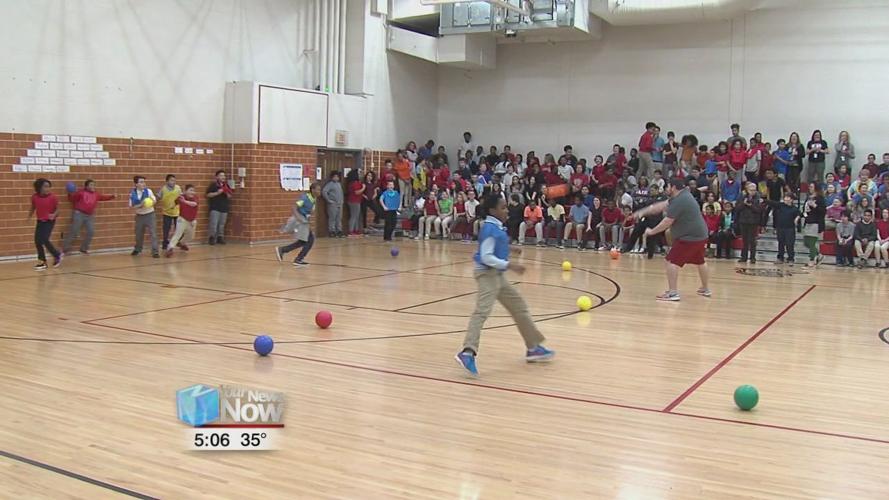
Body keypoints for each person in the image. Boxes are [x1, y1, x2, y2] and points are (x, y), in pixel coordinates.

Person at [454, 195, 555, 377]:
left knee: (519, 307)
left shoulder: (495, 227)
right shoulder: (489, 229)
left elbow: (496, 246)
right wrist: (511, 265)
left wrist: (510, 248)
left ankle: (533, 348)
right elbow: (486, 257)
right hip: (487, 274)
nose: (507, 210)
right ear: (493, 211)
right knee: (482, 312)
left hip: (496, 276)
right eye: (503, 207)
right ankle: (467, 352)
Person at [634, 178, 711, 301]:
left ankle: (673, 293)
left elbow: (667, 221)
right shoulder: (683, 195)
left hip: (689, 237)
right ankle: (705, 289)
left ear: (673, 187)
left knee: (671, 261)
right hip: (700, 235)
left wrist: (651, 232)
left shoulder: (680, 201)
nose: (666, 189)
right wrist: (642, 212)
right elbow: (661, 205)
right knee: (700, 261)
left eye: (667, 187)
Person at [62, 179, 115, 255]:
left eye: (94, 185)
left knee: (91, 231)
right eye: (91, 185)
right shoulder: (80, 193)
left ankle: (83, 249)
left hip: (89, 215)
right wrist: (70, 193)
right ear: (86, 186)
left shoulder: (96, 194)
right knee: (74, 231)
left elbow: (103, 198)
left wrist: (112, 197)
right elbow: (72, 199)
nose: (93, 186)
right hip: (79, 214)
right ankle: (65, 249)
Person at [276, 182, 321, 267]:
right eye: (318, 189)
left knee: (303, 241)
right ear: (313, 190)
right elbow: (294, 207)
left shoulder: (313, 199)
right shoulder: (305, 198)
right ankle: (298, 259)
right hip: (300, 220)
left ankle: (283, 250)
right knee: (310, 240)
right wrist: (299, 218)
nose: (319, 191)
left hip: (304, 220)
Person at [29, 178, 62, 270]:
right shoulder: (34, 197)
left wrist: (54, 214)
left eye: (49, 187)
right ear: (39, 187)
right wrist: (29, 216)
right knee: (37, 241)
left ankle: (57, 255)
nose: (48, 189)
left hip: (49, 221)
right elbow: (33, 207)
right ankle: (42, 261)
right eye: (45, 187)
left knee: (44, 239)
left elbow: (58, 210)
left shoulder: (53, 197)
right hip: (40, 221)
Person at [129, 175, 159, 258]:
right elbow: (132, 206)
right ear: (136, 184)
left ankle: (155, 251)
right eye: (141, 182)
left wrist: (150, 202)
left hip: (150, 214)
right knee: (138, 234)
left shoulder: (148, 191)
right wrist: (141, 205)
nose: (144, 184)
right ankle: (138, 249)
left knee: (153, 233)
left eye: (144, 182)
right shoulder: (133, 193)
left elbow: (154, 201)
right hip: (139, 216)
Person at [767, 194, 802, 265]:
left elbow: (799, 214)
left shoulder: (794, 209)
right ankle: (780, 258)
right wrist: (764, 200)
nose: (786, 199)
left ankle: (791, 259)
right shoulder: (780, 205)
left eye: (788, 198)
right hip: (780, 228)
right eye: (785, 197)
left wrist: (797, 218)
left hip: (789, 229)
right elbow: (772, 203)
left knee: (790, 244)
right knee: (781, 243)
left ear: (791, 200)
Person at [165, 184, 199, 257]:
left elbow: (194, 204)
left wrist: (184, 201)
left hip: (192, 221)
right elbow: (174, 203)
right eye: (190, 190)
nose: (192, 192)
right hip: (182, 219)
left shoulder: (195, 198)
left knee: (191, 236)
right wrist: (171, 207)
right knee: (178, 234)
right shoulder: (181, 197)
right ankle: (170, 248)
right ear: (185, 191)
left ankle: (182, 243)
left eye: (193, 191)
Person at [735, 182, 763, 264]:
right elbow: (737, 209)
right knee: (744, 240)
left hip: (754, 222)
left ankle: (753, 257)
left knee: (752, 241)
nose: (753, 192)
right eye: (751, 190)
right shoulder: (742, 197)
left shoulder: (758, 199)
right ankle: (743, 257)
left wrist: (751, 205)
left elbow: (759, 210)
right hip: (743, 221)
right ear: (747, 190)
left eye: (754, 190)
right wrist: (744, 203)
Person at [206, 170, 233, 245]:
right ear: (217, 177)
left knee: (222, 224)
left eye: (224, 176)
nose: (223, 177)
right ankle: (212, 237)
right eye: (221, 175)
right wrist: (217, 193)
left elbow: (230, 196)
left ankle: (220, 237)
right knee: (214, 224)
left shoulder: (226, 185)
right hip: (215, 208)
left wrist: (227, 193)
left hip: (224, 208)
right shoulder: (213, 185)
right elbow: (208, 195)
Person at [802, 183, 826, 267]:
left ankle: (812, 260)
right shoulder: (808, 197)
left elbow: (823, 211)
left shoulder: (820, 199)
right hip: (807, 221)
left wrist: (815, 206)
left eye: (811, 186)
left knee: (812, 242)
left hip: (815, 222)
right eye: (809, 186)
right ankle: (819, 255)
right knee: (806, 242)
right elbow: (804, 210)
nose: (809, 188)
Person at [158, 174, 182, 250]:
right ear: (167, 181)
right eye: (171, 180)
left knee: (178, 228)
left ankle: (178, 242)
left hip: (176, 212)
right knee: (166, 229)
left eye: (174, 180)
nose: (173, 182)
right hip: (166, 212)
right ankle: (165, 242)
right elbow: (158, 197)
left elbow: (181, 198)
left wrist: (177, 202)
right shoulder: (163, 189)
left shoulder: (178, 188)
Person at [322, 170, 345, 238]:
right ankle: (332, 231)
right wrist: (328, 200)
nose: (336, 178)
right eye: (334, 176)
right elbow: (324, 191)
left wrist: (342, 201)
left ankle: (339, 231)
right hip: (333, 204)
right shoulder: (330, 184)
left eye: (337, 177)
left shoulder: (339, 184)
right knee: (332, 218)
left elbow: (341, 193)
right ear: (332, 177)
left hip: (340, 204)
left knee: (339, 218)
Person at [346, 170, 365, 237]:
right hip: (354, 201)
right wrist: (363, 188)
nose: (360, 175)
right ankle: (350, 231)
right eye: (359, 174)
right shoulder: (355, 183)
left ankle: (355, 230)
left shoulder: (352, 183)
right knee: (354, 216)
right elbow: (357, 192)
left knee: (356, 216)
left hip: (355, 201)